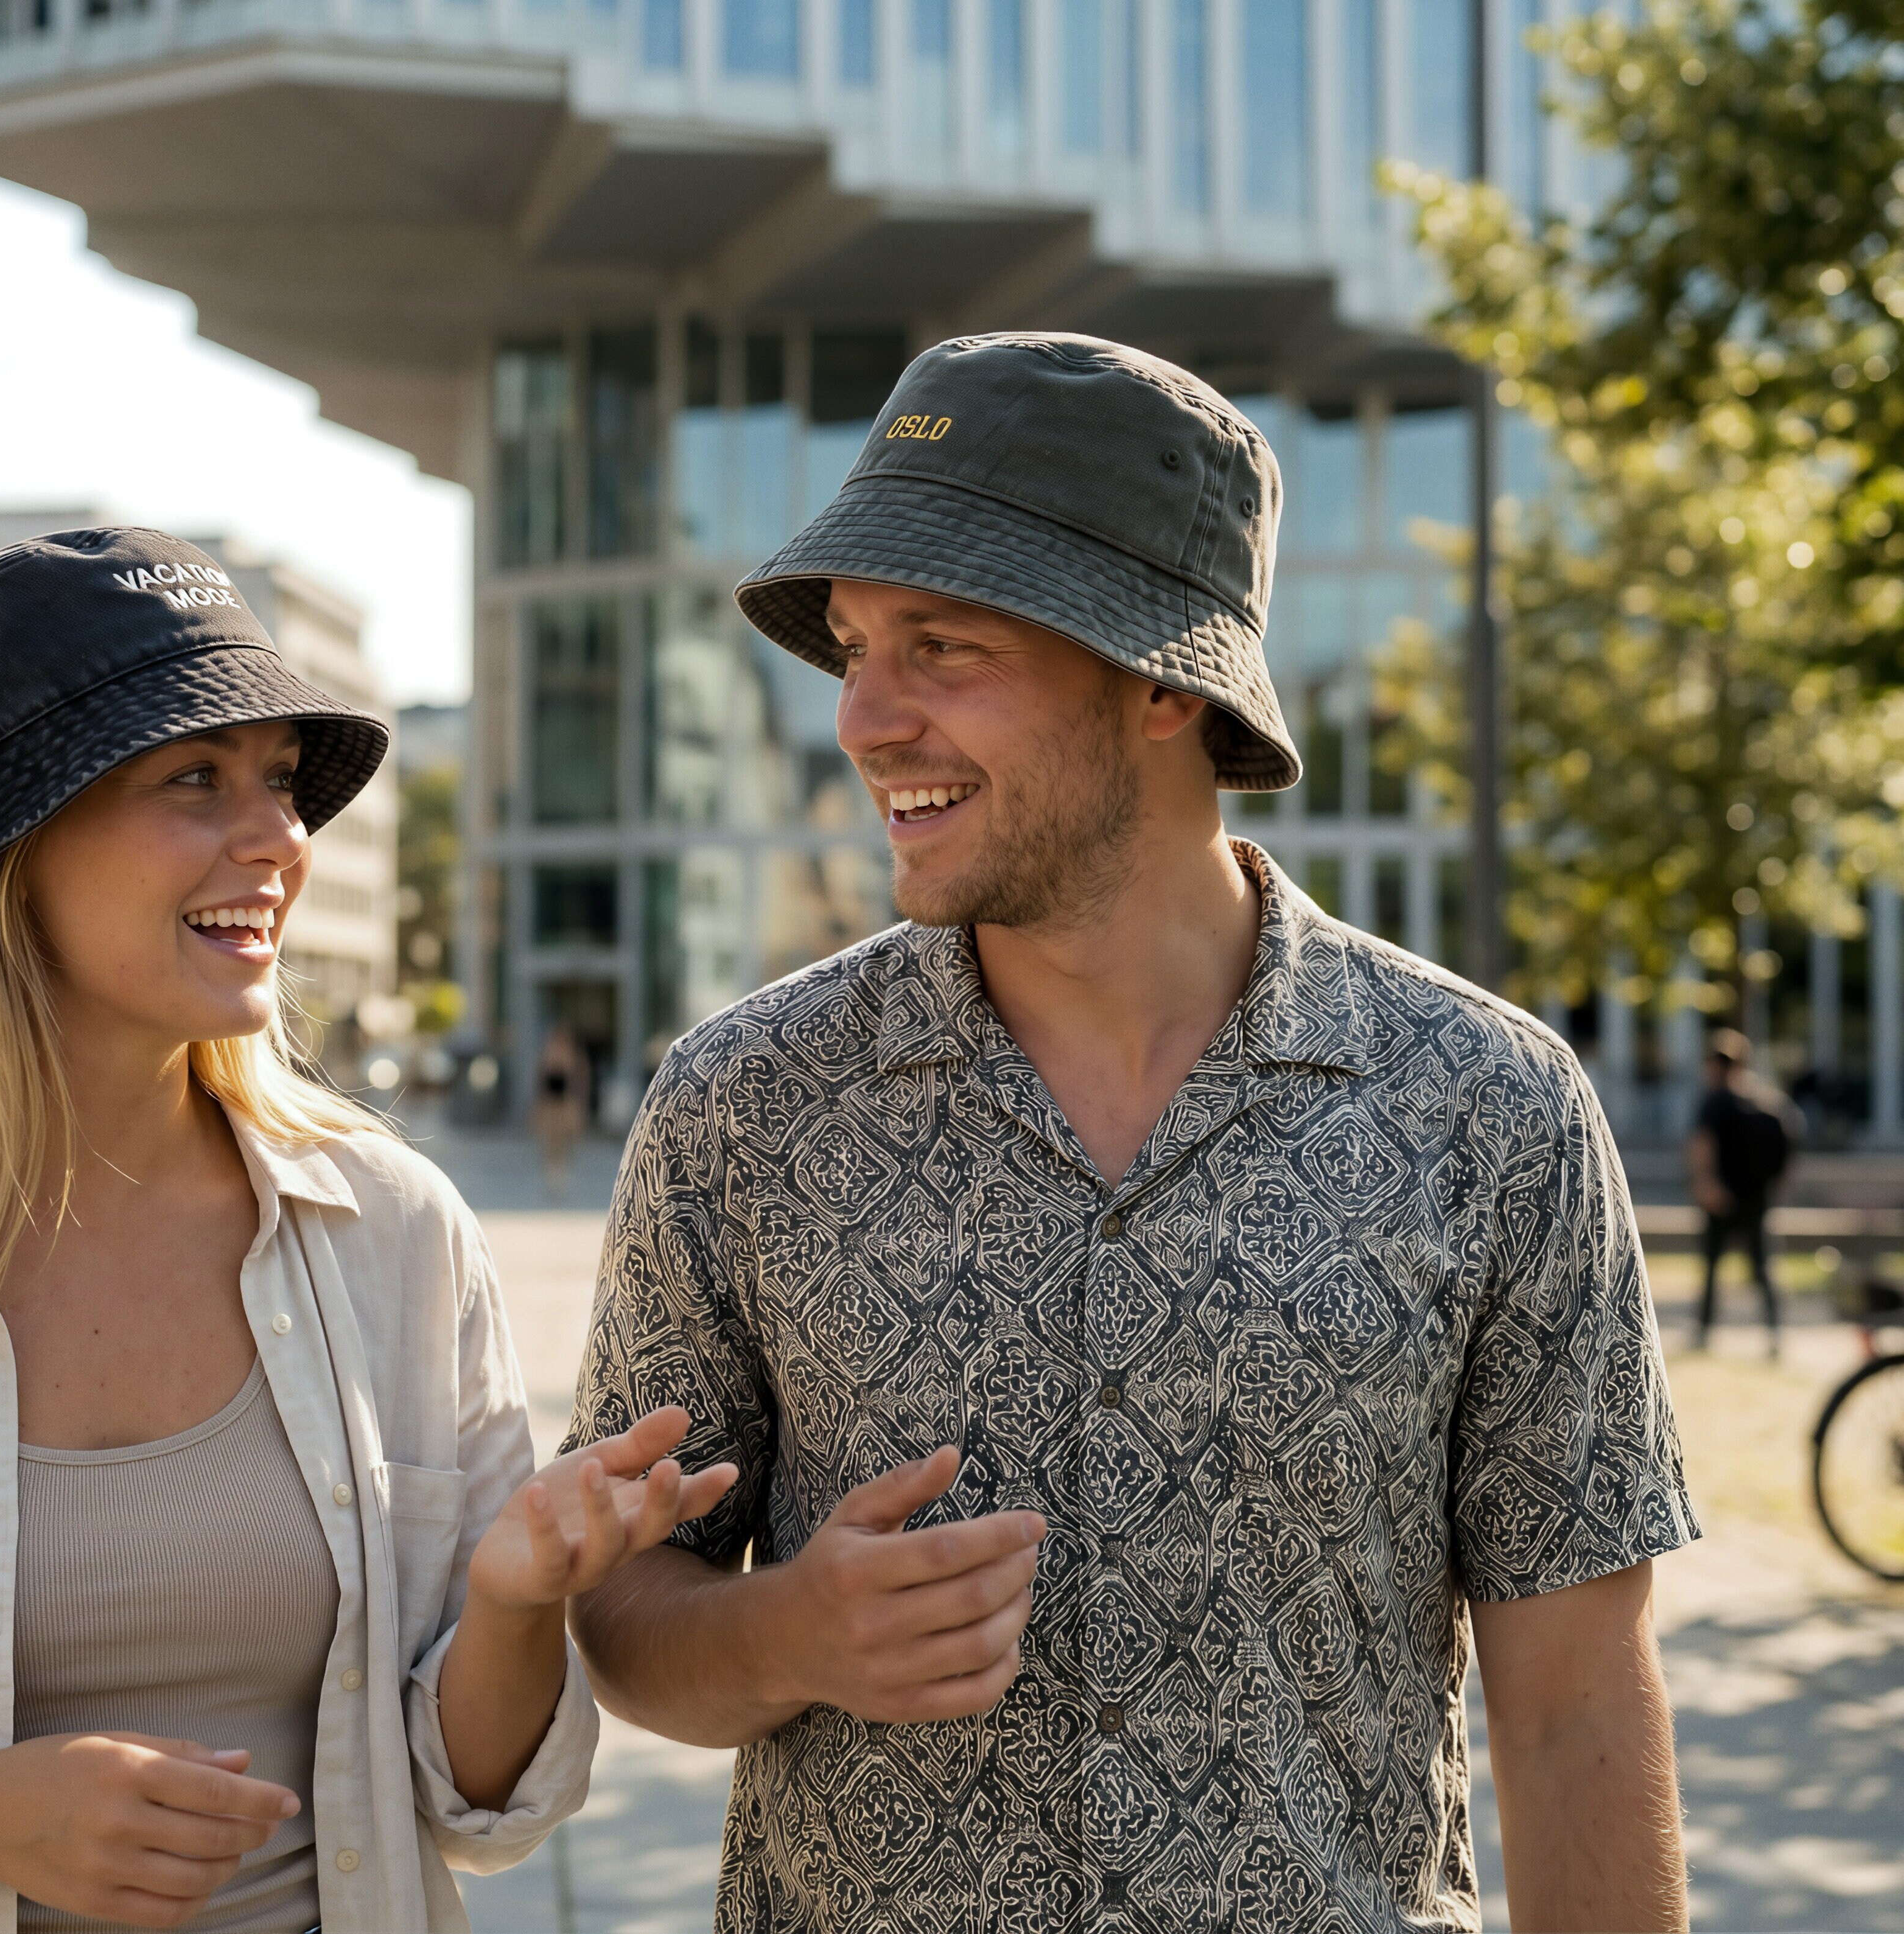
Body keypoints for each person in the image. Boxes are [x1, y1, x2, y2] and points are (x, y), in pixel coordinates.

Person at [564, 336, 1699, 1932]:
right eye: (852, 649)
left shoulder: (1488, 1110)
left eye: (940, 648)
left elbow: (1576, 1698)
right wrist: (784, 1640)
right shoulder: (738, 1105)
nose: (861, 718)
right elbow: (618, 1603)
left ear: (1160, 677)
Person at [0, 530, 736, 1934]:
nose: (281, 838)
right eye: (194, 780)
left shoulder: (394, 1234)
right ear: (8, 845)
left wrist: (514, 1599)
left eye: (282, 782)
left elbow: (478, 1807)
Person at [1687, 1027, 1795, 1355]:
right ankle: (1775, 1334)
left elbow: (1702, 1145)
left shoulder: (1715, 1102)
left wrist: (1705, 1184)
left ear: (1717, 1065)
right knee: (1763, 1270)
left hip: (1722, 1198)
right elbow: (1788, 1150)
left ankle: (1704, 1334)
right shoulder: (1770, 1102)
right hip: (1756, 1198)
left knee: (1711, 1270)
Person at [531, 1026, 587, 1199]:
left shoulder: (573, 1058)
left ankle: (561, 1175)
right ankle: (552, 1176)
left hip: (565, 1105)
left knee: (565, 1142)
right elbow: (541, 1083)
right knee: (550, 1142)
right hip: (550, 1106)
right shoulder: (547, 1057)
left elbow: (579, 1082)